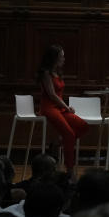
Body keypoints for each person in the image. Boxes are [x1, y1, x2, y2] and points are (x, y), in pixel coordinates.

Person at [37, 45, 89, 175]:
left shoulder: (57, 73)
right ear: (54, 58)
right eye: (61, 56)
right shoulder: (46, 73)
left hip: (60, 108)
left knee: (83, 126)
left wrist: (64, 108)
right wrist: (67, 107)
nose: (64, 59)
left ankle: (57, 144)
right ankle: (70, 170)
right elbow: (52, 95)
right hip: (49, 108)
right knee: (69, 134)